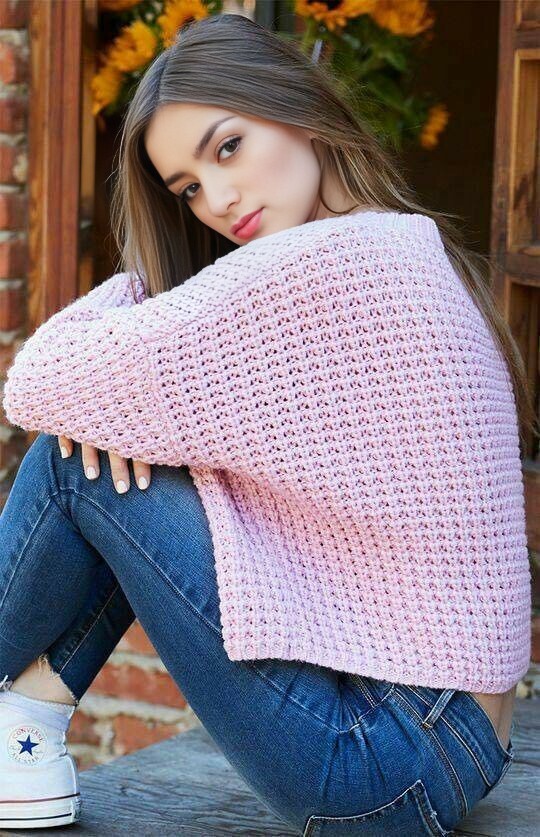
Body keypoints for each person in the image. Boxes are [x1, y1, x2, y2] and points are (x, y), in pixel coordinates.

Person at [0, 13, 535, 835]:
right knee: (115, 437)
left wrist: (144, 291)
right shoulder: (399, 246)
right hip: (450, 747)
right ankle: (24, 730)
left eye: (227, 147)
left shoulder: (328, 264)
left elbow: (39, 378)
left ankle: (23, 723)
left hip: (381, 760)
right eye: (187, 189)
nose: (217, 200)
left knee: (78, 463)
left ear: (296, 107)